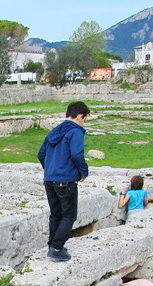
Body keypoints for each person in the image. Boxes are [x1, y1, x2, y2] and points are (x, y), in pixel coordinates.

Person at [37, 101, 91, 262]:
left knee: (56, 214)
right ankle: (57, 247)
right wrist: (83, 172)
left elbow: (41, 154)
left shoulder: (55, 131)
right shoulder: (75, 132)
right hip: (66, 179)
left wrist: (50, 169)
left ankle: (52, 244)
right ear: (81, 116)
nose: (84, 121)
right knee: (69, 215)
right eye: (85, 118)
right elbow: (76, 154)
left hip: (50, 179)